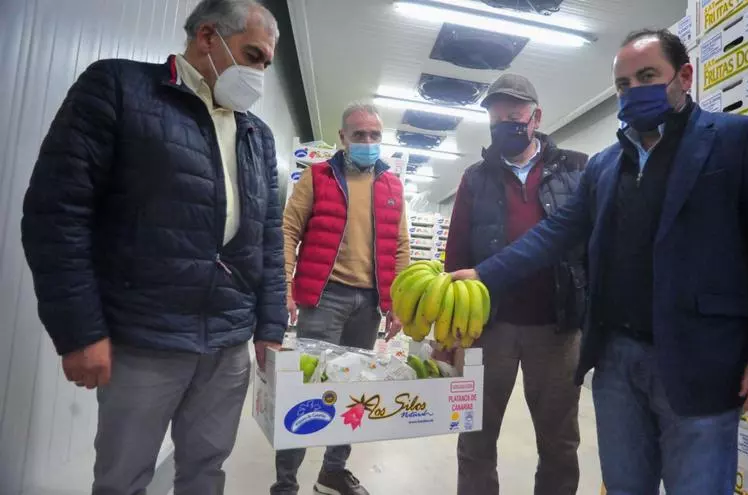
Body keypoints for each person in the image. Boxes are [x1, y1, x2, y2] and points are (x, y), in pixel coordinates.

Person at [450, 29, 748, 494]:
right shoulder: (604, 165)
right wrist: (483, 275)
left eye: (647, 76)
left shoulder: (738, 141)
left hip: (699, 361)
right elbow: (554, 234)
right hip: (617, 362)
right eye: (623, 84)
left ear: (685, 76)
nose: (634, 90)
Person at [20, 0, 286, 493]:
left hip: (226, 344)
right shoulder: (119, 88)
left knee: (206, 470)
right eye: (253, 56)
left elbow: (268, 238)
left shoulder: (257, 135)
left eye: (267, 63)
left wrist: (270, 327)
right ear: (208, 37)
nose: (259, 74)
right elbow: (57, 214)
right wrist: (79, 331)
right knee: (123, 477)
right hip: (143, 338)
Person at [442, 73, 588, 495]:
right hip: (488, 327)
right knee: (475, 437)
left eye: (513, 117)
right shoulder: (475, 178)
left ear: (535, 118)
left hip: (557, 327)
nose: (504, 125)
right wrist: (449, 330)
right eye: (496, 119)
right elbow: (456, 255)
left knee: (559, 441)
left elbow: (593, 245)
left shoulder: (576, 169)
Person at [273, 102, 409, 495]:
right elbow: (288, 231)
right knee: (307, 390)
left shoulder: (391, 186)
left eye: (374, 135)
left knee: (355, 393)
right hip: (324, 298)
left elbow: (400, 247)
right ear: (342, 137)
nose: (368, 141)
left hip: (369, 305)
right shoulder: (318, 177)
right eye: (359, 134)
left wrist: (398, 303)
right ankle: (285, 484)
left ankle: (332, 472)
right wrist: (284, 284)